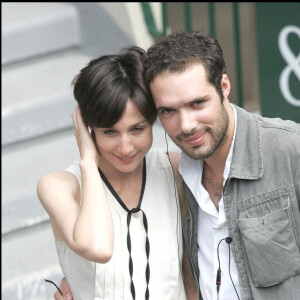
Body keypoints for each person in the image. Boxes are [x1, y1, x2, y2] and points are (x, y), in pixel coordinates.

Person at [143, 31, 300, 300]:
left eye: (197, 103)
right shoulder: (175, 177)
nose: (186, 125)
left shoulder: (289, 150)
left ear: (224, 86)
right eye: (168, 111)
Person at [37, 46, 197, 300]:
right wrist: (88, 161)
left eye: (137, 129)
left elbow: (191, 279)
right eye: (109, 132)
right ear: (88, 129)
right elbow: (98, 247)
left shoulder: (176, 171)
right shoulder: (59, 186)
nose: (125, 147)